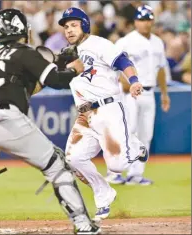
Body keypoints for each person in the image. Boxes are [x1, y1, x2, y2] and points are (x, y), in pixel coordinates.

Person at [0, 8, 101, 235]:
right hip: (4, 117)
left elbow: (24, 88)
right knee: (57, 166)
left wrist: (56, 62)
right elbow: (55, 80)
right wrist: (73, 70)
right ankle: (83, 224)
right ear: (23, 30)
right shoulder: (25, 52)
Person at [58, 7, 148, 221]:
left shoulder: (99, 44)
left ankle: (135, 146)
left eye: (74, 24)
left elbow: (123, 62)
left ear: (85, 25)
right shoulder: (67, 54)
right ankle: (104, 193)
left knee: (117, 166)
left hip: (108, 109)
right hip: (84, 116)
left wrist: (133, 81)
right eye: (66, 26)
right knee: (73, 159)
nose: (69, 30)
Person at [106, 5, 170, 185]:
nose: (145, 23)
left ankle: (136, 174)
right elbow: (110, 64)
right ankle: (114, 172)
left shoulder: (158, 42)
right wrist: (121, 81)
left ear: (152, 21)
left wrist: (165, 94)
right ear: (135, 21)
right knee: (127, 131)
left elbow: (161, 69)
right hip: (129, 93)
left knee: (145, 135)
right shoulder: (126, 41)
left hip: (149, 93)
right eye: (142, 19)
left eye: (148, 19)